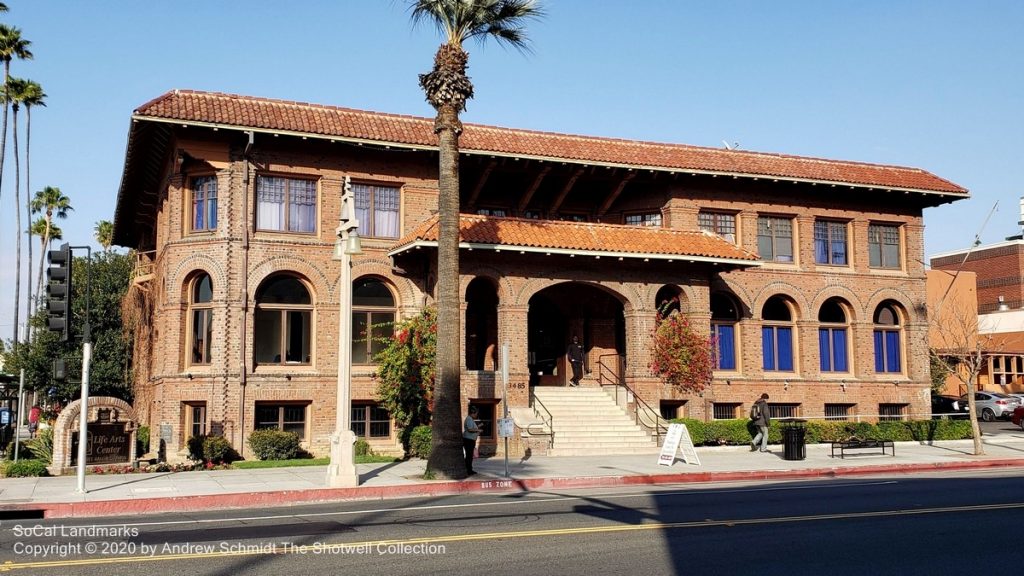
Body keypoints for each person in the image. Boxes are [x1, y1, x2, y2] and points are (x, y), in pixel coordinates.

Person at [463, 405, 482, 476]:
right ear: (473, 413)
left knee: (470, 456)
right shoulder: (469, 419)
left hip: (470, 440)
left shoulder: (470, 419)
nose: (476, 415)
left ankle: (469, 469)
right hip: (468, 440)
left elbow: (471, 428)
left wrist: (478, 428)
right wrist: (478, 429)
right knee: (469, 456)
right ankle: (468, 470)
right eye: (476, 414)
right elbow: (470, 429)